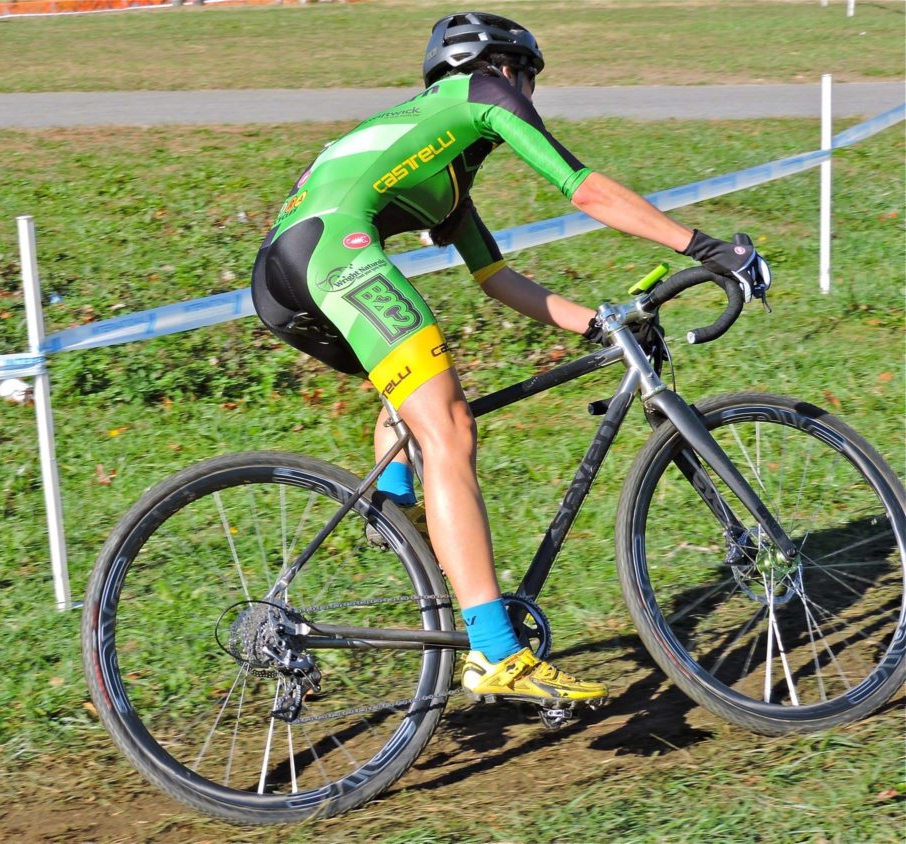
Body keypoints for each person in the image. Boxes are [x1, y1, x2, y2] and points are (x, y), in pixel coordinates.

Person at [252, 12, 769, 709]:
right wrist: (706, 248)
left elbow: (496, 280)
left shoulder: (442, 169)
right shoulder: (480, 95)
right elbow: (583, 188)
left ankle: (401, 519)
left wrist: (602, 325)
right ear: (500, 66)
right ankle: (497, 653)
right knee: (451, 428)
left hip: (287, 273)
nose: (530, 95)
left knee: (418, 396)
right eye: (528, 79)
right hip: (327, 251)